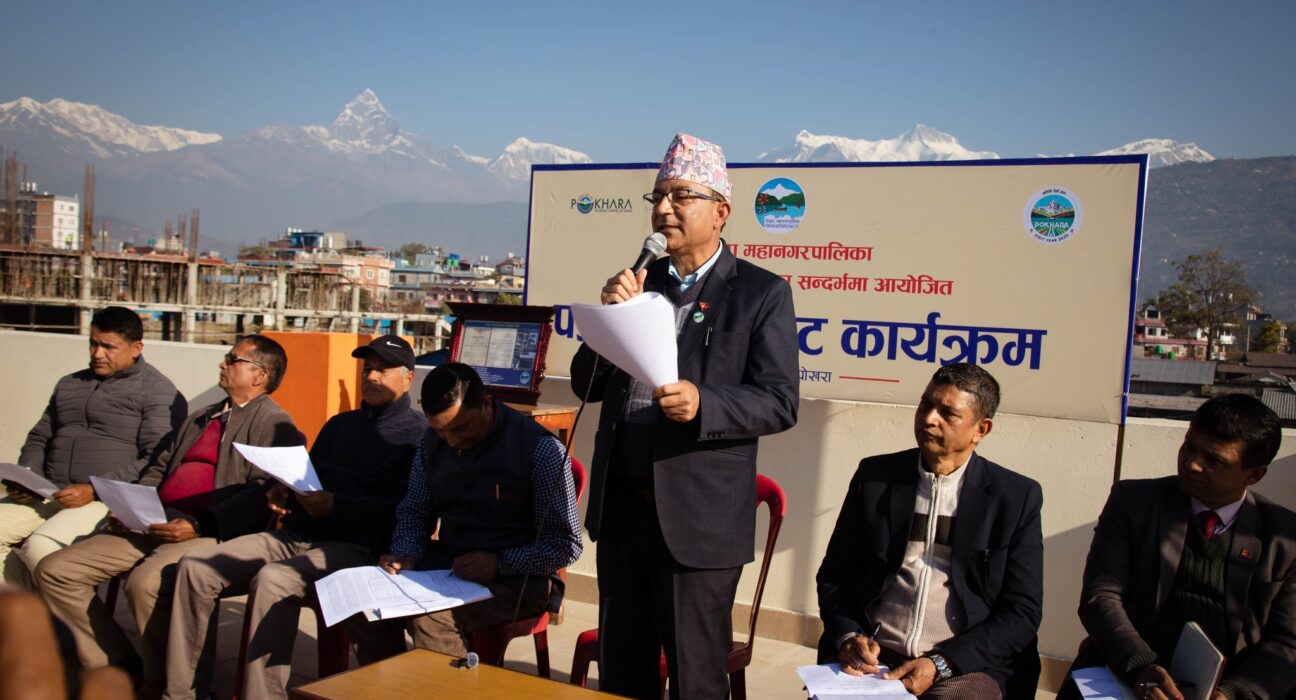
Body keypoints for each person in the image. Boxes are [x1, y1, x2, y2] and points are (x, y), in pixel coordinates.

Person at [570, 133, 799, 699]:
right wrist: (610, 318)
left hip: (698, 523)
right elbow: (584, 385)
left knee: (696, 681)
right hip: (623, 515)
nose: (664, 208)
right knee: (623, 675)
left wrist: (705, 403)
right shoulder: (640, 282)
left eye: (681, 196)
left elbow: (779, 400)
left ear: (720, 212)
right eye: (658, 196)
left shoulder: (759, 293)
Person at [33, 335, 300, 698]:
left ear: (259, 375)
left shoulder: (274, 425)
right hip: (153, 520)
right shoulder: (202, 416)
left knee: (146, 583)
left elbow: (259, 494)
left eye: (232, 359)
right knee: (56, 570)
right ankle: (117, 664)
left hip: (211, 531)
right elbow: (160, 467)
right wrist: (131, 503)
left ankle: (160, 679)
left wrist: (199, 525)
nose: (222, 364)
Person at [161, 335, 425, 700]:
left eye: (383, 370)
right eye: (368, 369)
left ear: (407, 379)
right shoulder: (340, 425)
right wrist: (284, 493)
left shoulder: (419, 437)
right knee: (196, 566)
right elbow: (308, 478)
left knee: (274, 580)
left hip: (354, 546)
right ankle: (183, 694)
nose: (372, 377)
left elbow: (407, 512)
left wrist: (338, 506)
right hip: (300, 533)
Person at [816, 363, 1043, 699]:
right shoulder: (876, 478)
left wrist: (942, 663)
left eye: (947, 413)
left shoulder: (1014, 497)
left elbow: (1022, 611)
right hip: (876, 655)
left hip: (964, 662)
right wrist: (849, 636)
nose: (928, 419)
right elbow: (835, 574)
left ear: (980, 429)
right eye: (925, 404)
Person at [1063, 395, 1294, 700]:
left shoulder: (1284, 537)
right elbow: (1101, 596)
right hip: (1125, 673)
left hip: (1227, 685)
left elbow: (1286, 643)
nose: (1192, 464)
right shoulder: (1133, 502)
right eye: (1189, 446)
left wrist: (1231, 694)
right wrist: (1140, 667)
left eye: (1214, 460)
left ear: (1254, 474)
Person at [348, 362, 582, 663]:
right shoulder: (431, 443)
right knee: (365, 602)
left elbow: (566, 544)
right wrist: (406, 554)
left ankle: (452, 686)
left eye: (460, 428)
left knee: (430, 618)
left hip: (520, 579)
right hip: (449, 566)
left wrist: (500, 563)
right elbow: (415, 511)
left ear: (486, 403)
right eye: (440, 430)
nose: (452, 441)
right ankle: (391, 682)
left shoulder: (540, 449)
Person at [1, 306, 186, 586]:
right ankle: (23, 609)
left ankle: (57, 614)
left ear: (136, 348)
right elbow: (39, 437)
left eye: (108, 346)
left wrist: (95, 489)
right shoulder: (70, 384)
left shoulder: (159, 393)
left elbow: (157, 458)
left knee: (41, 548)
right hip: (49, 492)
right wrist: (28, 479)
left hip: (103, 501)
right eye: (93, 343)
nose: (98, 353)